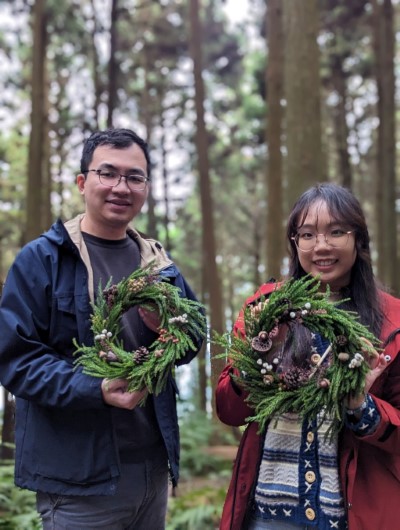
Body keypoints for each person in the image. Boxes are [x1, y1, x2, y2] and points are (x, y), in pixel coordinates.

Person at [0, 127, 204, 530]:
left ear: (146, 186)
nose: (120, 187)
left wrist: (168, 328)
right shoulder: (43, 260)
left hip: (152, 468)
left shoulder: (157, 264)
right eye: (107, 173)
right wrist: (95, 389)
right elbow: (15, 359)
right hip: (78, 481)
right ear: (83, 182)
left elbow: (193, 339)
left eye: (134, 177)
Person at [216, 183, 400, 530]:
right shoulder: (264, 309)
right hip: (269, 512)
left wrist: (362, 407)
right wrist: (254, 364)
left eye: (336, 232)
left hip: (353, 511)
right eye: (307, 234)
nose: (322, 246)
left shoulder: (393, 322)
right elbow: (228, 411)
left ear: (358, 240)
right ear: (295, 243)